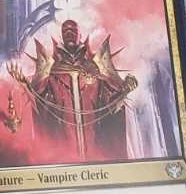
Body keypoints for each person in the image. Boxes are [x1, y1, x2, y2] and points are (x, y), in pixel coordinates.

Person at [9, 19, 137, 161]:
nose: (69, 32)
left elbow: (111, 107)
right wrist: (25, 85)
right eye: (65, 30)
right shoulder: (52, 71)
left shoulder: (96, 67)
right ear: (61, 36)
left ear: (80, 34)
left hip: (95, 147)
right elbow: (41, 105)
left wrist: (125, 91)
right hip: (65, 150)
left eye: (73, 30)